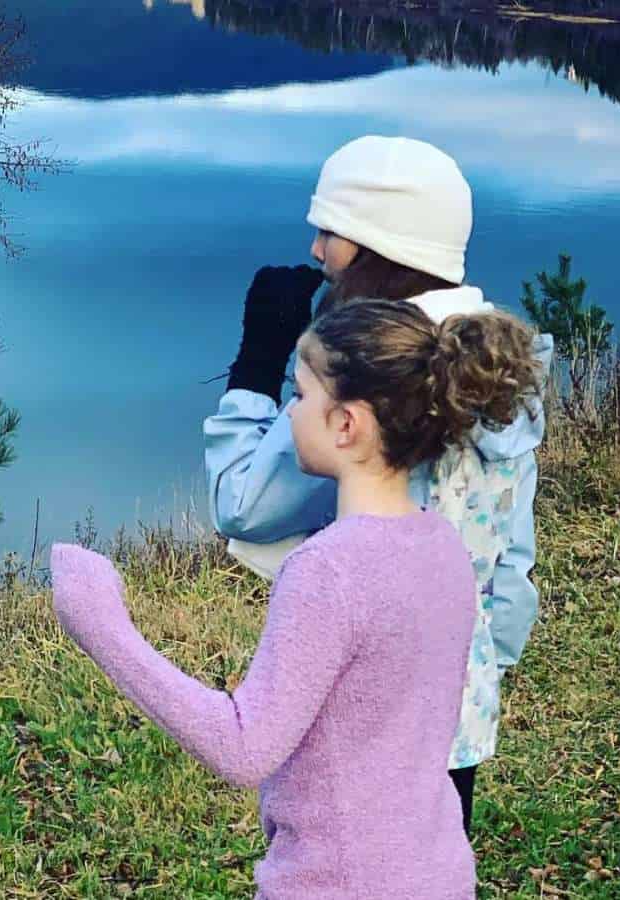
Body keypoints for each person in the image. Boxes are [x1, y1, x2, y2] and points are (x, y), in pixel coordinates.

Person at [52, 298, 542, 899]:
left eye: (302, 395)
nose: (291, 413)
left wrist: (102, 625)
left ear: (347, 424)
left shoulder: (328, 570)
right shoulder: (441, 546)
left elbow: (243, 746)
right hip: (439, 872)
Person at [204, 136, 554, 833]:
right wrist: (480, 667)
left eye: (329, 231)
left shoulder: (368, 371)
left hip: (360, 716)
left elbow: (243, 506)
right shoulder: (495, 368)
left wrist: (258, 363)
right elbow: (510, 574)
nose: (314, 249)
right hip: (456, 710)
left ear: (371, 247)